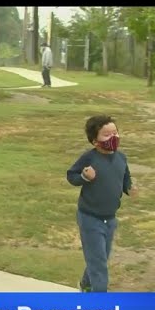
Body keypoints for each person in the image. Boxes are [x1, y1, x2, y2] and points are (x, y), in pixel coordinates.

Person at [66, 115, 137, 292]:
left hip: (110, 219)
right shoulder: (89, 158)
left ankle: (86, 285)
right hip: (90, 218)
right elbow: (71, 176)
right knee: (99, 265)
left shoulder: (121, 158)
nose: (113, 137)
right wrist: (84, 177)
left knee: (100, 258)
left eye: (115, 133)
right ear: (94, 141)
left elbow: (125, 178)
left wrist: (130, 188)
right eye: (106, 135)